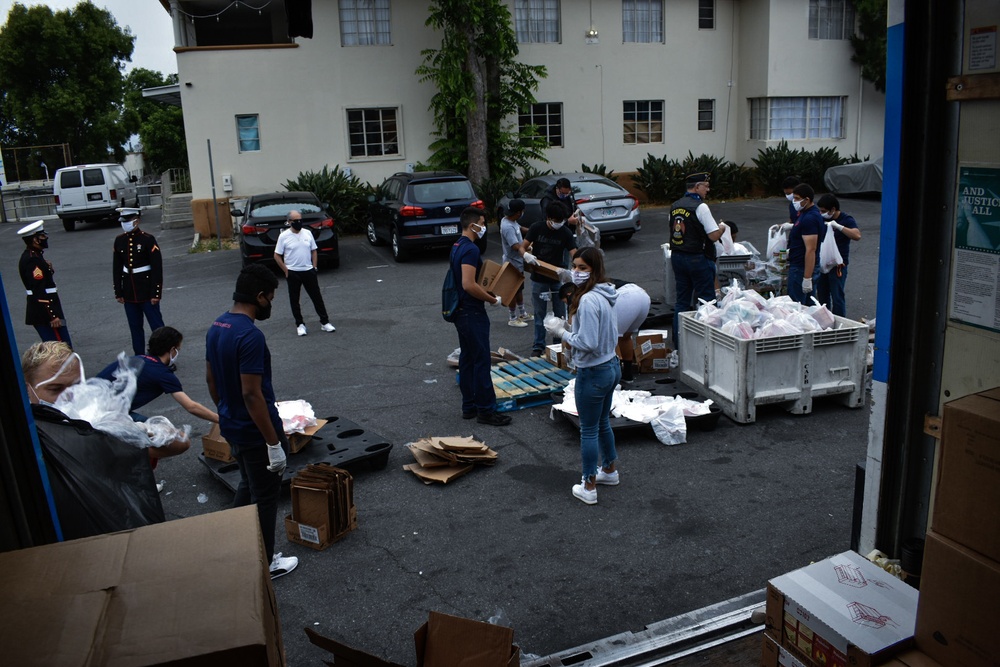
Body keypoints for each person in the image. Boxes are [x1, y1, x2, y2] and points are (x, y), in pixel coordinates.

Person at [205, 264, 299, 579]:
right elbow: (252, 394)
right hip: (257, 432)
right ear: (259, 297)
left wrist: (225, 412)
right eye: (270, 298)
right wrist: (273, 442)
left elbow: (211, 379)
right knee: (266, 497)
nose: (271, 304)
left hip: (233, 426)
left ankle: (232, 541)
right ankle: (266, 562)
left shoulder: (217, 325)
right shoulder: (250, 336)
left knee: (247, 484)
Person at [21, 341, 165, 539]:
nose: (68, 397)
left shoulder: (92, 418)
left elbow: (177, 445)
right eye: (55, 389)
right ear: (27, 388)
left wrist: (140, 430)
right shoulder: (24, 435)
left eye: (76, 386)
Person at [544, 247, 620, 505]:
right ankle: (609, 470)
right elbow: (594, 333)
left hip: (594, 372)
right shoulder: (604, 293)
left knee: (588, 430)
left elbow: (586, 342)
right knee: (602, 423)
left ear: (594, 270)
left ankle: (588, 486)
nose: (576, 272)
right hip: (611, 365)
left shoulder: (587, 300)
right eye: (574, 266)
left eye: (582, 268)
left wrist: (561, 333)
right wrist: (567, 327)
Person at [450, 207, 512, 426]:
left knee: (467, 359)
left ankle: (469, 406)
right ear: (473, 224)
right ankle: (486, 410)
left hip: (461, 312)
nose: (484, 227)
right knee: (481, 361)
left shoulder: (457, 245)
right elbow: (468, 284)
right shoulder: (471, 250)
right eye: (483, 223)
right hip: (471, 312)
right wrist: (491, 299)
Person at [97, 326, 219, 428]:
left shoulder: (136, 359)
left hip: (85, 407)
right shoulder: (162, 374)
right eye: (178, 349)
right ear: (172, 350)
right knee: (170, 435)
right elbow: (191, 407)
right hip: (104, 417)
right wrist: (221, 419)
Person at [669, 173, 726, 350]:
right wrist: (722, 227)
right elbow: (713, 235)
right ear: (697, 187)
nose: (708, 190)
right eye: (706, 186)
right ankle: (708, 347)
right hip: (697, 258)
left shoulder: (675, 206)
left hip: (678, 256)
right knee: (707, 302)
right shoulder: (701, 207)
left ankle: (680, 346)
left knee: (682, 303)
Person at [523, 202, 578, 356]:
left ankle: (557, 345)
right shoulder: (536, 228)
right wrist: (526, 255)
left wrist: (576, 269)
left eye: (561, 221)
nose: (559, 224)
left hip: (557, 276)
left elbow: (574, 252)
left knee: (560, 313)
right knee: (539, 313)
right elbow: (523, 246)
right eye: (556, 221)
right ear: (548, 218)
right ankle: (538, 345)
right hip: (538, 276)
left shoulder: (565, 233)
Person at [274, 209, 336, 336]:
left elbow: (314, 250)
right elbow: (277, 255)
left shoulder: (307, 233)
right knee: (294, 299)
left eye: (300, 220)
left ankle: (325, 322)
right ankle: (300, 324)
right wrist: (286, 270)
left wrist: (314, 266)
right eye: (296, 221)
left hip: (308, 271)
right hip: (293, 272)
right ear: (289, 222)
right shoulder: (284, 236)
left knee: (317, 297)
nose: (299, 223)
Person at [113, 207, 164, 355]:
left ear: (137, 220)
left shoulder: (147, 239)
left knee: (157, 327)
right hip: (129, 291)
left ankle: (163, 357)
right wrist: (118, 291)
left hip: (147, 290)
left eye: (128, 220)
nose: (125, 224)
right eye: (123, 221)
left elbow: (157, 268)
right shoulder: (119, 241)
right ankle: (139, 357)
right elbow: (117, 268)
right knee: (135, 327)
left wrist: (156, 292)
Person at [17, 220, 72, 346]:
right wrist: (53, 316)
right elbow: (39, 290)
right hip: (45, 314)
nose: (45, 238)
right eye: (42, 236)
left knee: (61, 348)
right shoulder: (33, 260)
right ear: (35, 240)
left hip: (47, 309)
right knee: (60, 349)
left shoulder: (35, 256)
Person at [815, 194, 862, 317]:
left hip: (838, 265)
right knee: (822, 295)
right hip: (822, 263)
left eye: (824, 211)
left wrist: (839, 227)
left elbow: (857, 235)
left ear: (833, 209)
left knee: (837, 296)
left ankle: (840, 321)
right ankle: (825, 321)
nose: (821, 213)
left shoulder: (846, 219)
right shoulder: (822, 219)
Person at [787, 183, 823, 306]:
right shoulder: (805, 214)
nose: (794, 202)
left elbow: (811, 249)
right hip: (800, 265)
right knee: (806, 307)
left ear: (807, 199)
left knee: (797, 308)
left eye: (797, 198)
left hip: (801, 268)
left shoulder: (810, 218)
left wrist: (807, 278)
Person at [498, 199, 532, 327]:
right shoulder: (507, 227)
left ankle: (522, 313)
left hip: (517, 262)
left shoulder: (510, 220)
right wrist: (527, 250)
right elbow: (515, 246)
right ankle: (512, 317)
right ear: (518, 213)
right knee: (512, 290)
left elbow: (519, 228)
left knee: (519, 288)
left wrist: (532, 231)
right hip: (512, 263)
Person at [613, 282, 651, 383]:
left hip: (626, 298)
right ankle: (627, 374)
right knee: (625, 337)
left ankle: (614, 377)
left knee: (612, 339)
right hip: (643, 296)